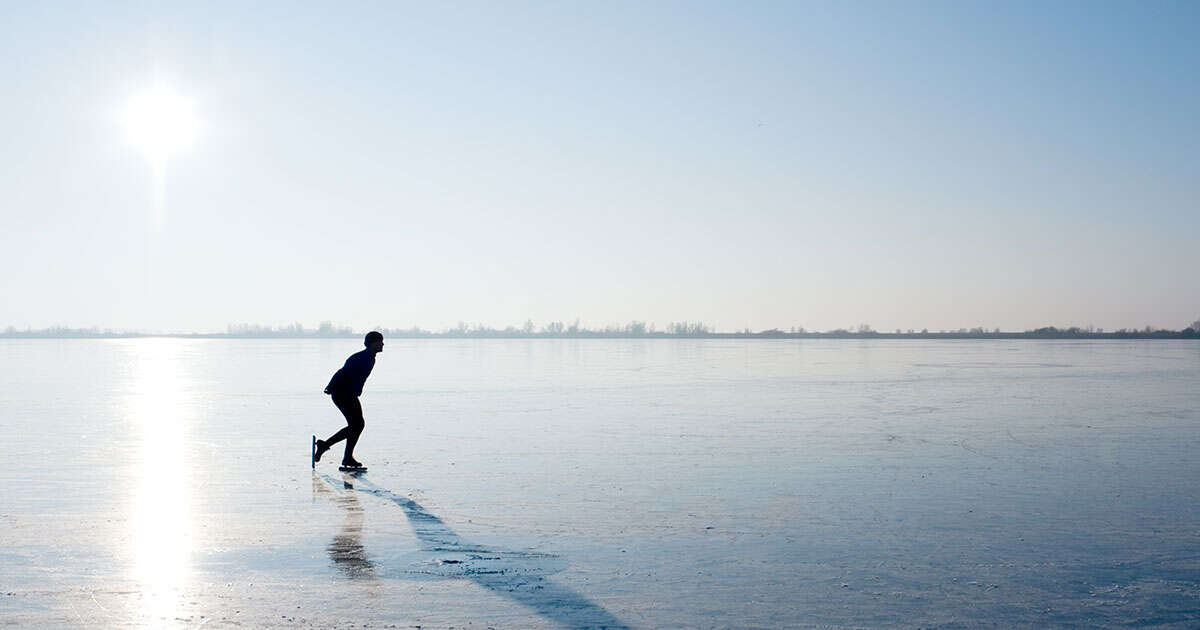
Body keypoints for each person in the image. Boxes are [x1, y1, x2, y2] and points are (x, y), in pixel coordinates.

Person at [314, 331, 384, 469]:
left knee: (357, 425)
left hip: (348, 393)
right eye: (380, 341)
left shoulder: (370, 357)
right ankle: (337, 452)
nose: (382, 344)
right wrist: (331, 386)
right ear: (372, 343)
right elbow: (343, 371)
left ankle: (338, 452)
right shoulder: (362, 357)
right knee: (357, 424)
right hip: (342, 393)